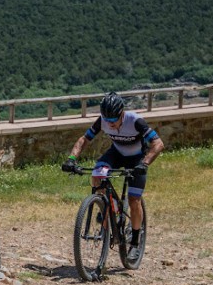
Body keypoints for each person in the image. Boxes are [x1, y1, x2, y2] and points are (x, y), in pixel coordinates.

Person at [62, 92, 164, 263]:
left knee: (134, 200)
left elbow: (158, 144)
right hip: (116, 154)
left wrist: (144, 163)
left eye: (113, 120)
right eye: (107, 120)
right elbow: (84, 140)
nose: (110, 124)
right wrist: (71, 159)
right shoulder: (102, 120)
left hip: (136, 158)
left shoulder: (135, 121)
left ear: (122, 113)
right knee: (96, 174)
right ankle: (106, 206)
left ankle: (135, 242)